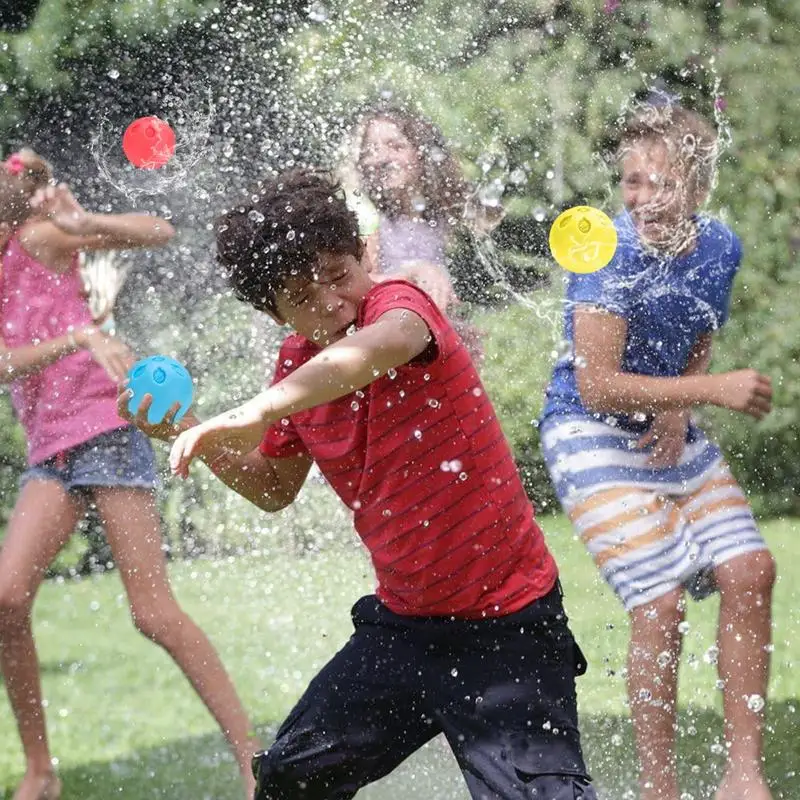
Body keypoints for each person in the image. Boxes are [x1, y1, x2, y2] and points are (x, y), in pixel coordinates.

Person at [123, 168, 598, 800]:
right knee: (289, 779)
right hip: (405, 631)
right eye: (300, 294)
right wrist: (190, 433)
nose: (331, 302)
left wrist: (256, 410)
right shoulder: (297, 365)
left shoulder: (400, 306)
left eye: (339, 275)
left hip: (508, 625)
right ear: (274, 312)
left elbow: (375, 349)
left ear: (362, 258)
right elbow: (273, 487)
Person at [0, 148, 259, 800]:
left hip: (108, 431)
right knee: (4, 600)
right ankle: (42, 772)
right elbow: (5, 364)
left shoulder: (41, 238)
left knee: (151, 613)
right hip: (52, 453)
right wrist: (79, 337)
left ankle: (254, 758)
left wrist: (86, 217)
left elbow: (158, 231)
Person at [538, 104, 776, 800]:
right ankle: (659, 790)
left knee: (750, 570)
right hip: (586, 426)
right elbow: (598, 382)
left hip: (662, 415)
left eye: (658, 183)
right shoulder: (607, 251)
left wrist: (680, 403)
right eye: (630, 182)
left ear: (698, 188)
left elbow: (698, 327)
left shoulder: (719, 247)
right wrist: (712, 390)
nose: (639, 200)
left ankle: (742, 777)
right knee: (663, 601)